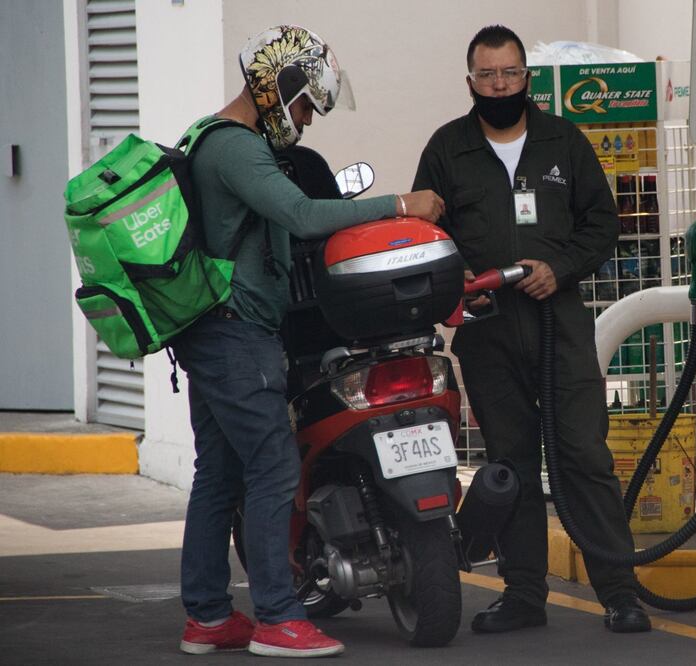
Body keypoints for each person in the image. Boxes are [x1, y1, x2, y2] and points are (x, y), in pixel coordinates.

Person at [172, 25, 444, 658]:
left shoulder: (213, 141)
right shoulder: (236, 148)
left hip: (214, 332)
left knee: (220, 475)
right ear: (279, 88)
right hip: (237, 335)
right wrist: (399, 203)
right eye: (303, 105)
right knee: (270, 468)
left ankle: (208, 617)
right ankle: (276, 617)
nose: (305, 121)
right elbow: (303, 215)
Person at [412, 24, 651, 635]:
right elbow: (424, 232)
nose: (499, 84)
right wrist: (457, 272)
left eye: (510, 73)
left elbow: (602, 223)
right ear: (471, 82)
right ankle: (524, 596)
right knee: (509, 465)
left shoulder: (563, 141)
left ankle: (620, 593)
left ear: (527, 77)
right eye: (487, 75)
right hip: (488, 332)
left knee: (583, 456)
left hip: (559, 326)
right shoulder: (447, 149)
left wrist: (560, 267)